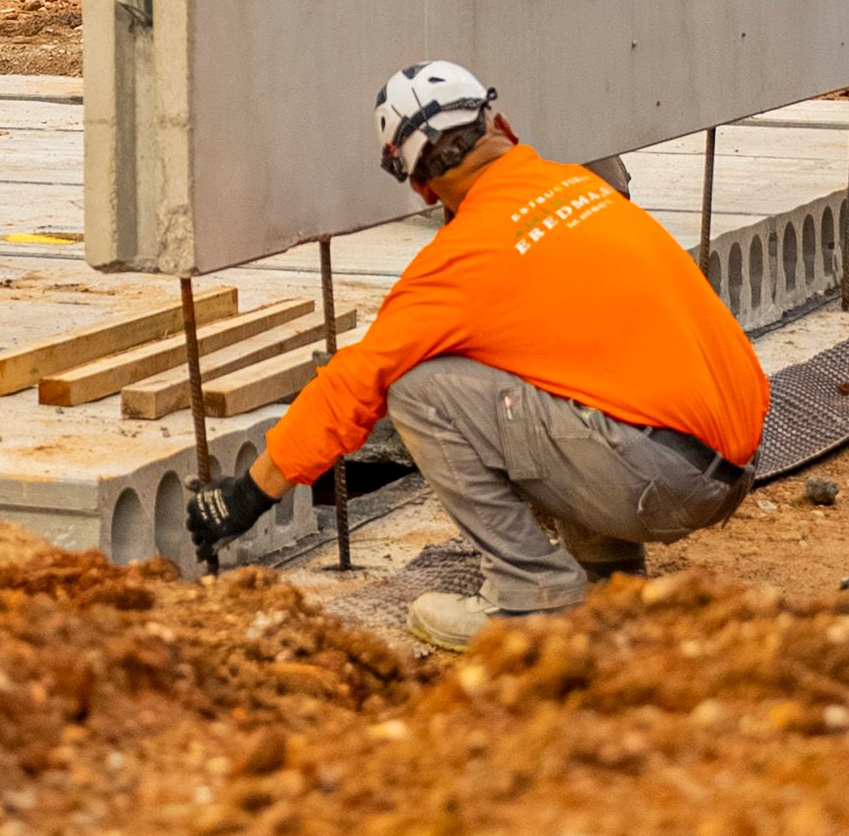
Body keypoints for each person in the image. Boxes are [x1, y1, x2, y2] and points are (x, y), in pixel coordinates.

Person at [184, 62, 768, 651]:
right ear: (502, 126)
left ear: (420, 186)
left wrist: (247, 496)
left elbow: (354, 384)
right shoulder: (581, 186)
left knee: (420, 388)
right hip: (734, 464)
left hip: (660, 485)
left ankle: (528, 597)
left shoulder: (460, 263)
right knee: (541, 368)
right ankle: (605, 576)